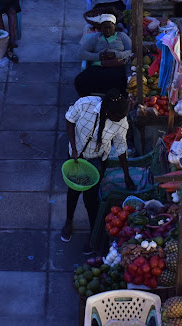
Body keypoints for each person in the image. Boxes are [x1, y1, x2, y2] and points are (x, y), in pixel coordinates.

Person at [62, 88, 135, 254]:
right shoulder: (86, 104)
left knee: (91, 198)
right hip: (77, 154)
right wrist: (73, 148)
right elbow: (69, 120)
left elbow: (121, 147)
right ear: (107, 111)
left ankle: (93, 234)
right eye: (117, 117)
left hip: (97, 159)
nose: (120, 119)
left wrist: (126, 175)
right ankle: (68, 221)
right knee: (73, 191)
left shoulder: (121, 122)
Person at [74, 13, 131, 97]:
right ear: (101, 28)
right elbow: (81, 53)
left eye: (110, 27)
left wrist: (116, 54)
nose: (107, 30)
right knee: (80, 80)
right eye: (105, 28)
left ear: (114, 27)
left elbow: (131, 51)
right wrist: (98, 56)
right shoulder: (95, 38)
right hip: (98, 66)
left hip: (116, 67)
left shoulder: (122, 36)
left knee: (121, 82)